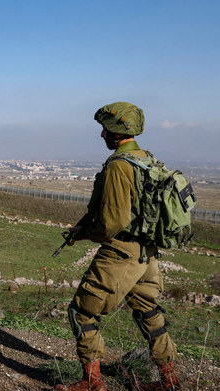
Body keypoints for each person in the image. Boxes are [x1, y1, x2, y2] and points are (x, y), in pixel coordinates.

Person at [54, 102, 180, 391]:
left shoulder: (119, 166)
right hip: (146, 251)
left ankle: (92, 383)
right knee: (149, 310)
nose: (101, 135)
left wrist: (84, 232)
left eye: (105, 129)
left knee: (83, 311)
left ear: (118, 131)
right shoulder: (146, 158)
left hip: (121, 251)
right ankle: (169, 380)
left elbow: (112, 222)